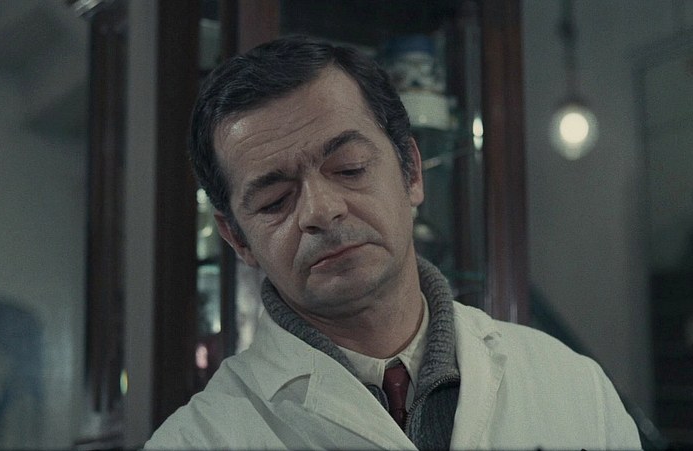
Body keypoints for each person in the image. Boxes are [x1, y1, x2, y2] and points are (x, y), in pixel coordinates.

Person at [144, 35, 641, 450]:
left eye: (350, 169)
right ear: (237, 238)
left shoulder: (573, 389)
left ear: (412, 172)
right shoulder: (200, 439)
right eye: (275, 201)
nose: (320, 210)